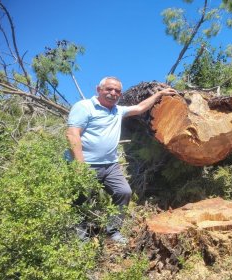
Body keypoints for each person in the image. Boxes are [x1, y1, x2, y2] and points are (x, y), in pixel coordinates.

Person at [66, 76, 177, 243]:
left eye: (117, 91)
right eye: (109, 89)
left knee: (123, 192)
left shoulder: (117, 110)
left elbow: (140, 108)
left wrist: (159, 94)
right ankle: (80, 239)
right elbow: (72, 134)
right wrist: (79, 165)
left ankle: (112, 232)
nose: (113, 93)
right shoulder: (84, 107)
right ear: (98, 89)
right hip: (86, 164)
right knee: (81, 199)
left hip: (110, 165)